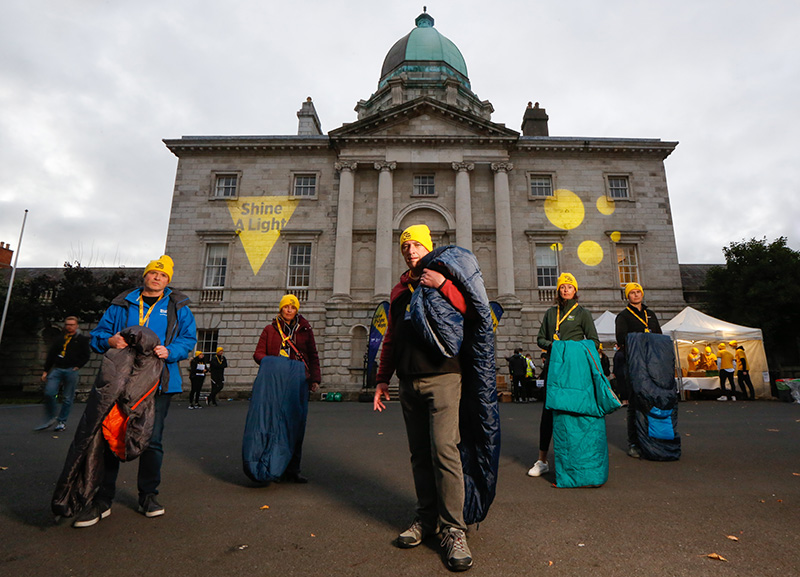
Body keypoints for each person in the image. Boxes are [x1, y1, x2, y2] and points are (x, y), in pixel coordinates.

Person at [374, 224, 499, 572]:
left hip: (445, 375)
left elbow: (474, 313)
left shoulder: (442, 275)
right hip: (408, 381)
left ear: (427, 247)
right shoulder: (399, 291)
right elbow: (390, 338)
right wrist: (383, 379)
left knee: (446, 451)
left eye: (416, 245)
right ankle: (426, 518)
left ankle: (454, 529)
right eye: (405, 246)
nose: (411, 251)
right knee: (419, 455)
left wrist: (443, 285)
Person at [73, 255, 196, 528]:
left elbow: (189, 339)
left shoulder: (178, 306)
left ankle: (148, 496)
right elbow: (97, 336)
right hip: (120, 380)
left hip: (159, 381)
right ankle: (102, 498)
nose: (157, 278)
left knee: (152, 440)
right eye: (153, 273)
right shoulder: (122, 303)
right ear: (145, 276)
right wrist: (109, 340)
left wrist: (171, 350)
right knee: (109, 437)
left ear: (168, 280)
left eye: (163, 275)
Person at [528, 272, 600, 478]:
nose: (566, 289)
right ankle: (542, 460)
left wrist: (572, 348)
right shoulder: (551, 313)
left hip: (576, 370)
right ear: (558, 290)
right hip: (555, 368)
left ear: (575, 290)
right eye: (562, 287)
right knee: (549, 411)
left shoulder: (583, 313)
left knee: (575, 411)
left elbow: (594, 341)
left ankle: (575, 458)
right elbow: (540, 339)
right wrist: (555, 346)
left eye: (570, 286)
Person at [251, 294, 320, 483]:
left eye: (293, 307)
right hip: (276, 382)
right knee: (274, 424)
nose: (289, 310)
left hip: (298, 383)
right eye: (286, 307)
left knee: (296, 425)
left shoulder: (305, 329)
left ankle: (293, 469)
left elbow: (313, 354)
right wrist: (273, 364)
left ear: (297, 310)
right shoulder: (270, 330)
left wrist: (315, 378)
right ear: (280, 309)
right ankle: (273, 465)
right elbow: (258, 353)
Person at [615, 282, 662, 458]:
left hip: (652, 363)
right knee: (635, 404)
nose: (636, 295)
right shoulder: (623, 316)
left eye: (638, 292)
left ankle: (652, 439)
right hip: (635, 364)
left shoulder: (650, 314)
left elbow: (659, 335)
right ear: (628, 296)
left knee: (652, 401)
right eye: (632, 293)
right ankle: (634, 442)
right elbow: (622, 340)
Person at [36, 316, 91, 432]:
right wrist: (46, 370)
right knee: (49, 392)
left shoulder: (82, 340)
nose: (69, 327)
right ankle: (51, 416)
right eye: (67, 324)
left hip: (71, 370)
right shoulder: (60, 339)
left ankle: (62, 421)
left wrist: (78, 366)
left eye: (72, 325)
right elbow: (51, 354)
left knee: (67, 397)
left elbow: (86, 355)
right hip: (57, 368)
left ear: (76, 326)